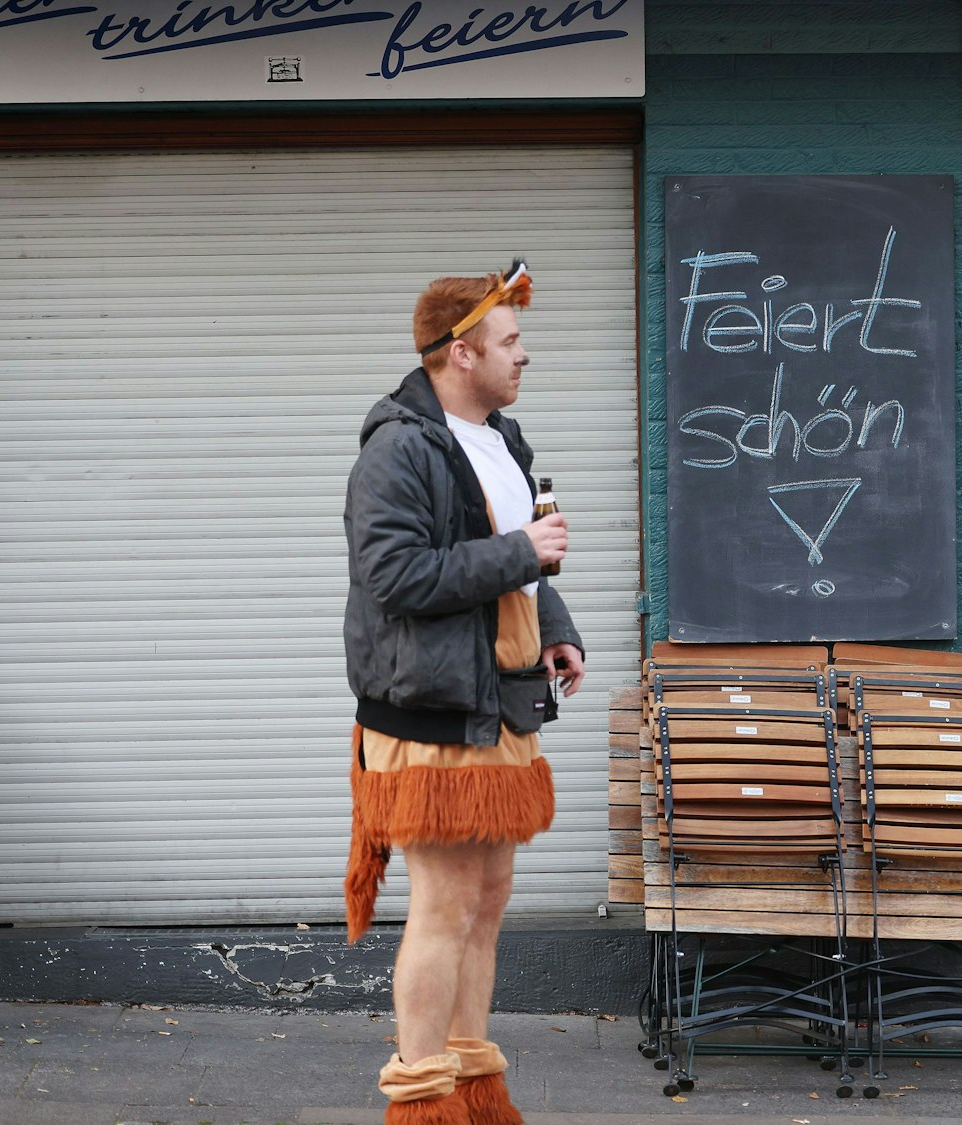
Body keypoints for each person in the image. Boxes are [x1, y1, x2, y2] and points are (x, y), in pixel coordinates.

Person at [341, 263, 584, 1125]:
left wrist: (555, 624)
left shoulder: (503, 439)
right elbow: (395, 574)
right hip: (431, 716)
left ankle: (475, 1091)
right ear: (460, 350)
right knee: (443, 908)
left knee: (486, 903)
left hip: (501, 707)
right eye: (511, 342)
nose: (526, 356)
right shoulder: (399, 445)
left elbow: (525, 560)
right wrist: (523, 553)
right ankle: (420, 1100)